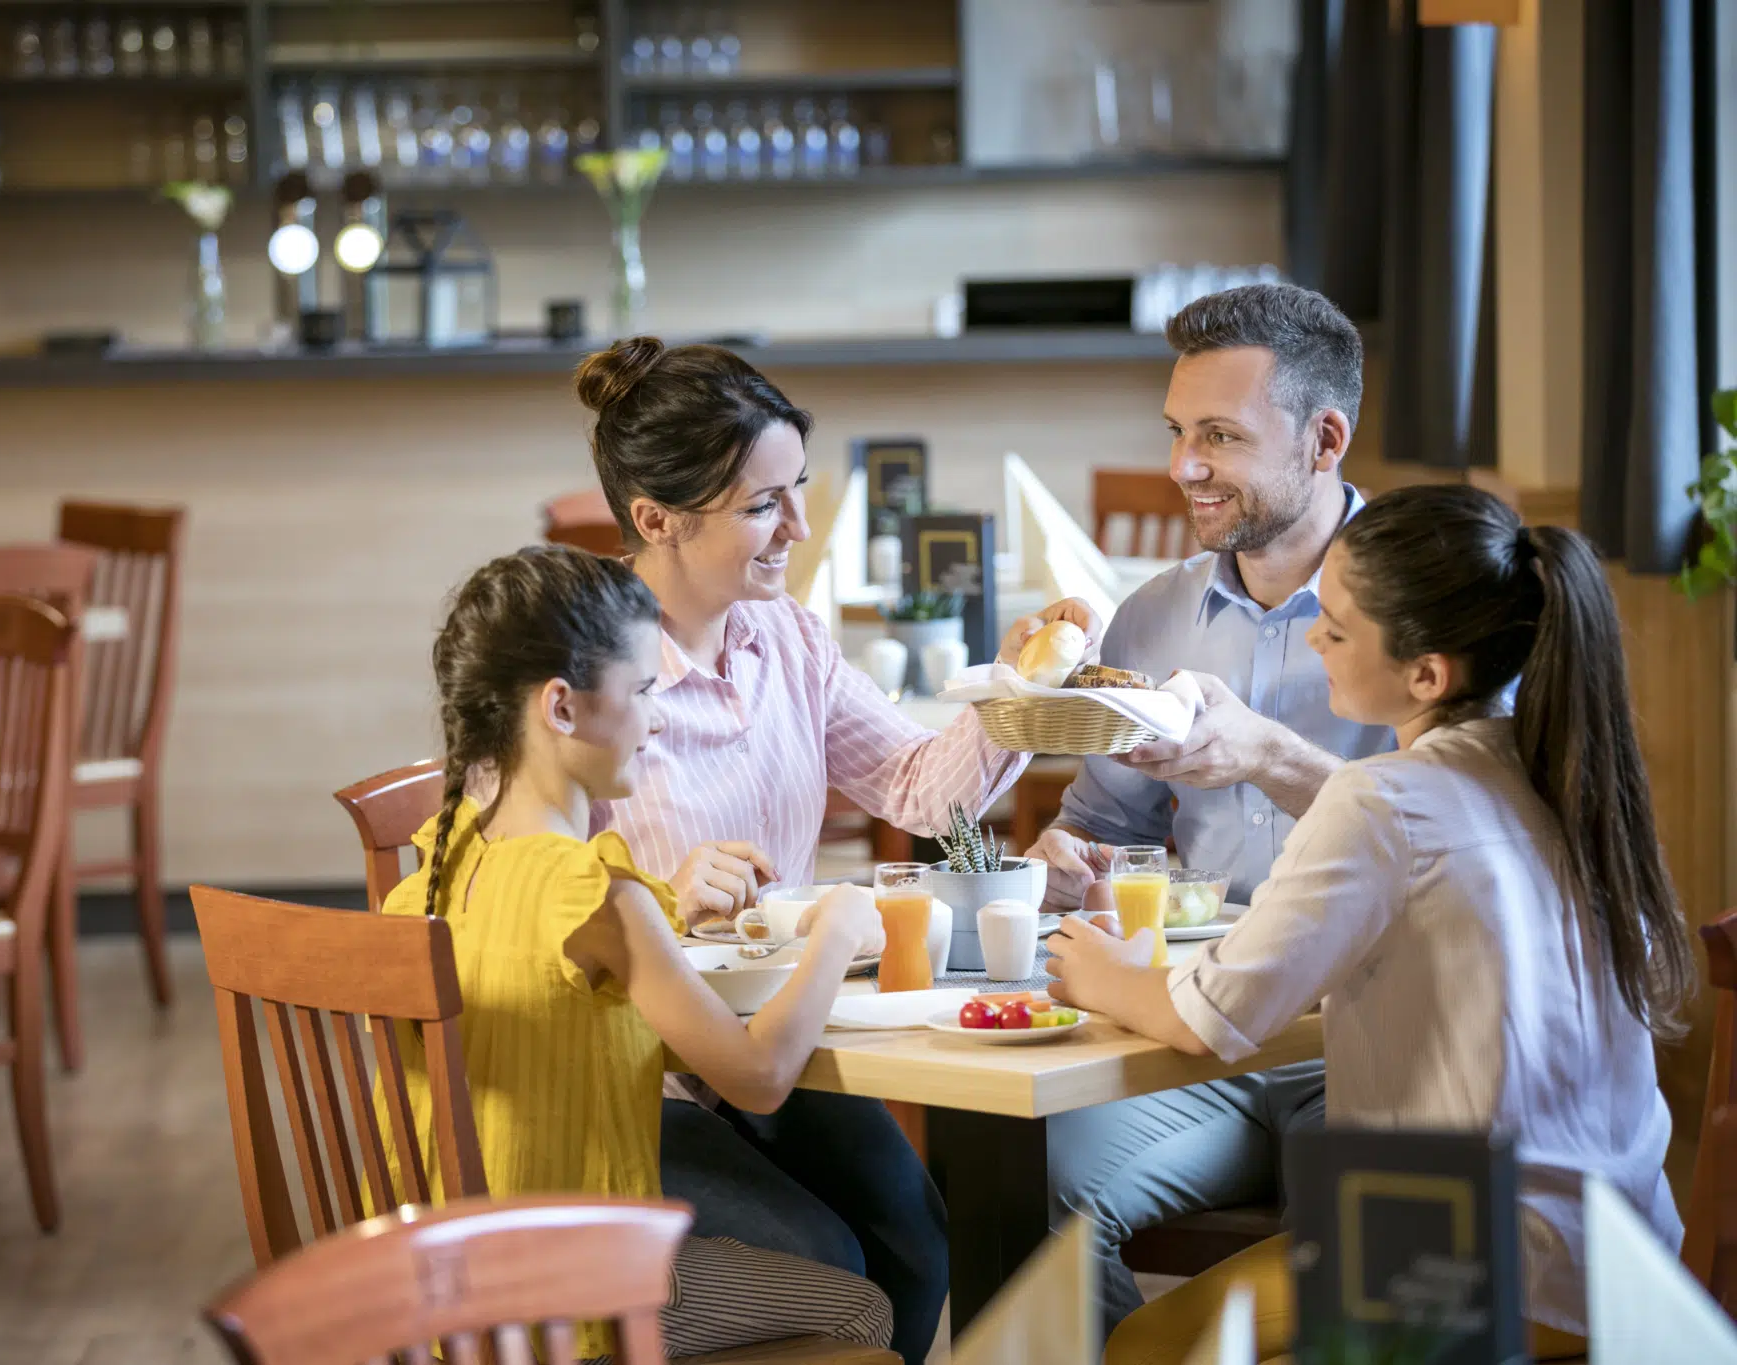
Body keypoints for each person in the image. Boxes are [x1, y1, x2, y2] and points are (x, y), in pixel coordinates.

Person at [1046, 484, 1690, 1363]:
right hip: (1629, 1263)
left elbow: (1209, 1015)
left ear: (1427, 676)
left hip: (1461, 1262)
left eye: (1338, 630)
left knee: (1149, 1341)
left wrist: (1094, 969)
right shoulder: (1574, 785)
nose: (1314, 638)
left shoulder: (1384, 801)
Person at [572, 335, 1075, 1364]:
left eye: (797, 490)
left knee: (916, 1242)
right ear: (654, 520)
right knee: (837, 1271)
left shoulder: (786, 641)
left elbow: (919, 790)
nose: (800, 528)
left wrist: (1016, 694)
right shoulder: (582, 671)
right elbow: (512, 895)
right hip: (636, 1076)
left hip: (781, 1043)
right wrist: (653, 894)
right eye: (764, 506)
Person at [381, 545, 897, 1361]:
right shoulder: (599, 894)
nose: (659, 720)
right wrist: (836, 931)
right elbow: (758, 1079)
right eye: (645, 691)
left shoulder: (433, 875)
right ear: (561, 707)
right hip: (573, 1305)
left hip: (457, 1293)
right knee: (862, 1308)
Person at [1022, 282, 1392, 1335]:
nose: (1184, 467)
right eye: (1179, 432)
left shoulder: (1428, 599)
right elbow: (1110, 824)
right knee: (1031, 1184)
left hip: (1367, 1041)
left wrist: (1269, 756)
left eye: (1220, 436)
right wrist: (1068, 856)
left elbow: (1466, 827)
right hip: (1190, 1037)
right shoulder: (1150, 616)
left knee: (1358, 1261)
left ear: (1323, 439)